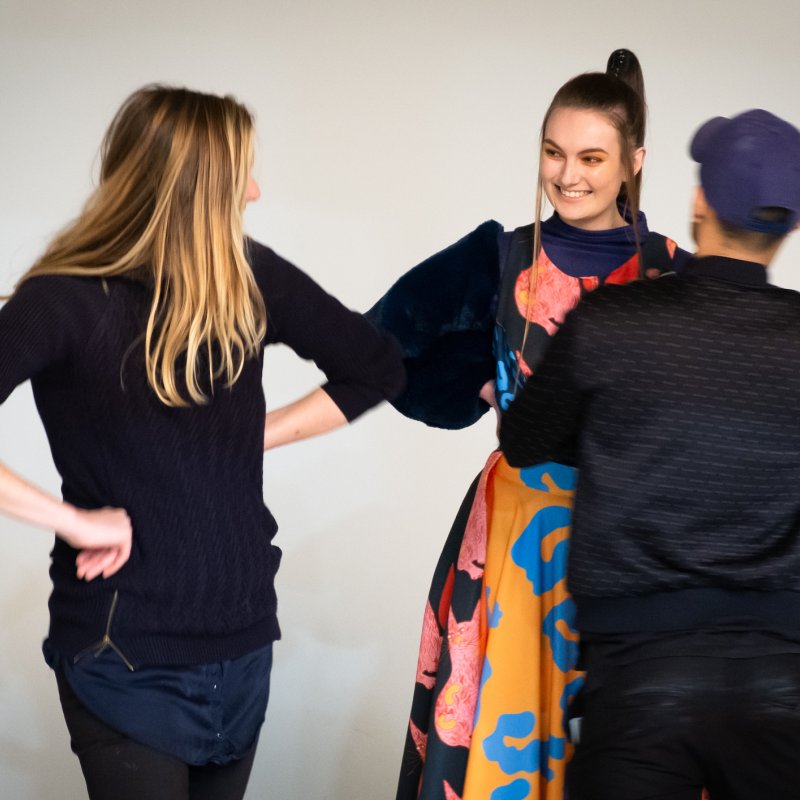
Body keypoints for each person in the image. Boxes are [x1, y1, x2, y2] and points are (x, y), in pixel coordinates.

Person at [0, 85, 404, 800]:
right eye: (240, 172)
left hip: (244, 642)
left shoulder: (248, 277)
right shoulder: (65, 298)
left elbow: (376, 368)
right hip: (124, 654)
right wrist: (72, 521)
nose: (255, 190)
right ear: (194, 186)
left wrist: (252, 437)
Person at [368, 50, 687, 800]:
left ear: (634, 161)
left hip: (629, 549)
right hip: (512, 545)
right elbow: (378, 343)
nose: (567, 174)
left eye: (591, 157)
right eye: (553, 152)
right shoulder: (504, 254)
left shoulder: (675, 272)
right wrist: (477, 385)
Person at [500, 108, 800, 800]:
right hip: (786, 679)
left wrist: (614, 432)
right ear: (786, 225)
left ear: (700, 203)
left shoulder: (614, 321)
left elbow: (523, 442)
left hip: (638, 680)